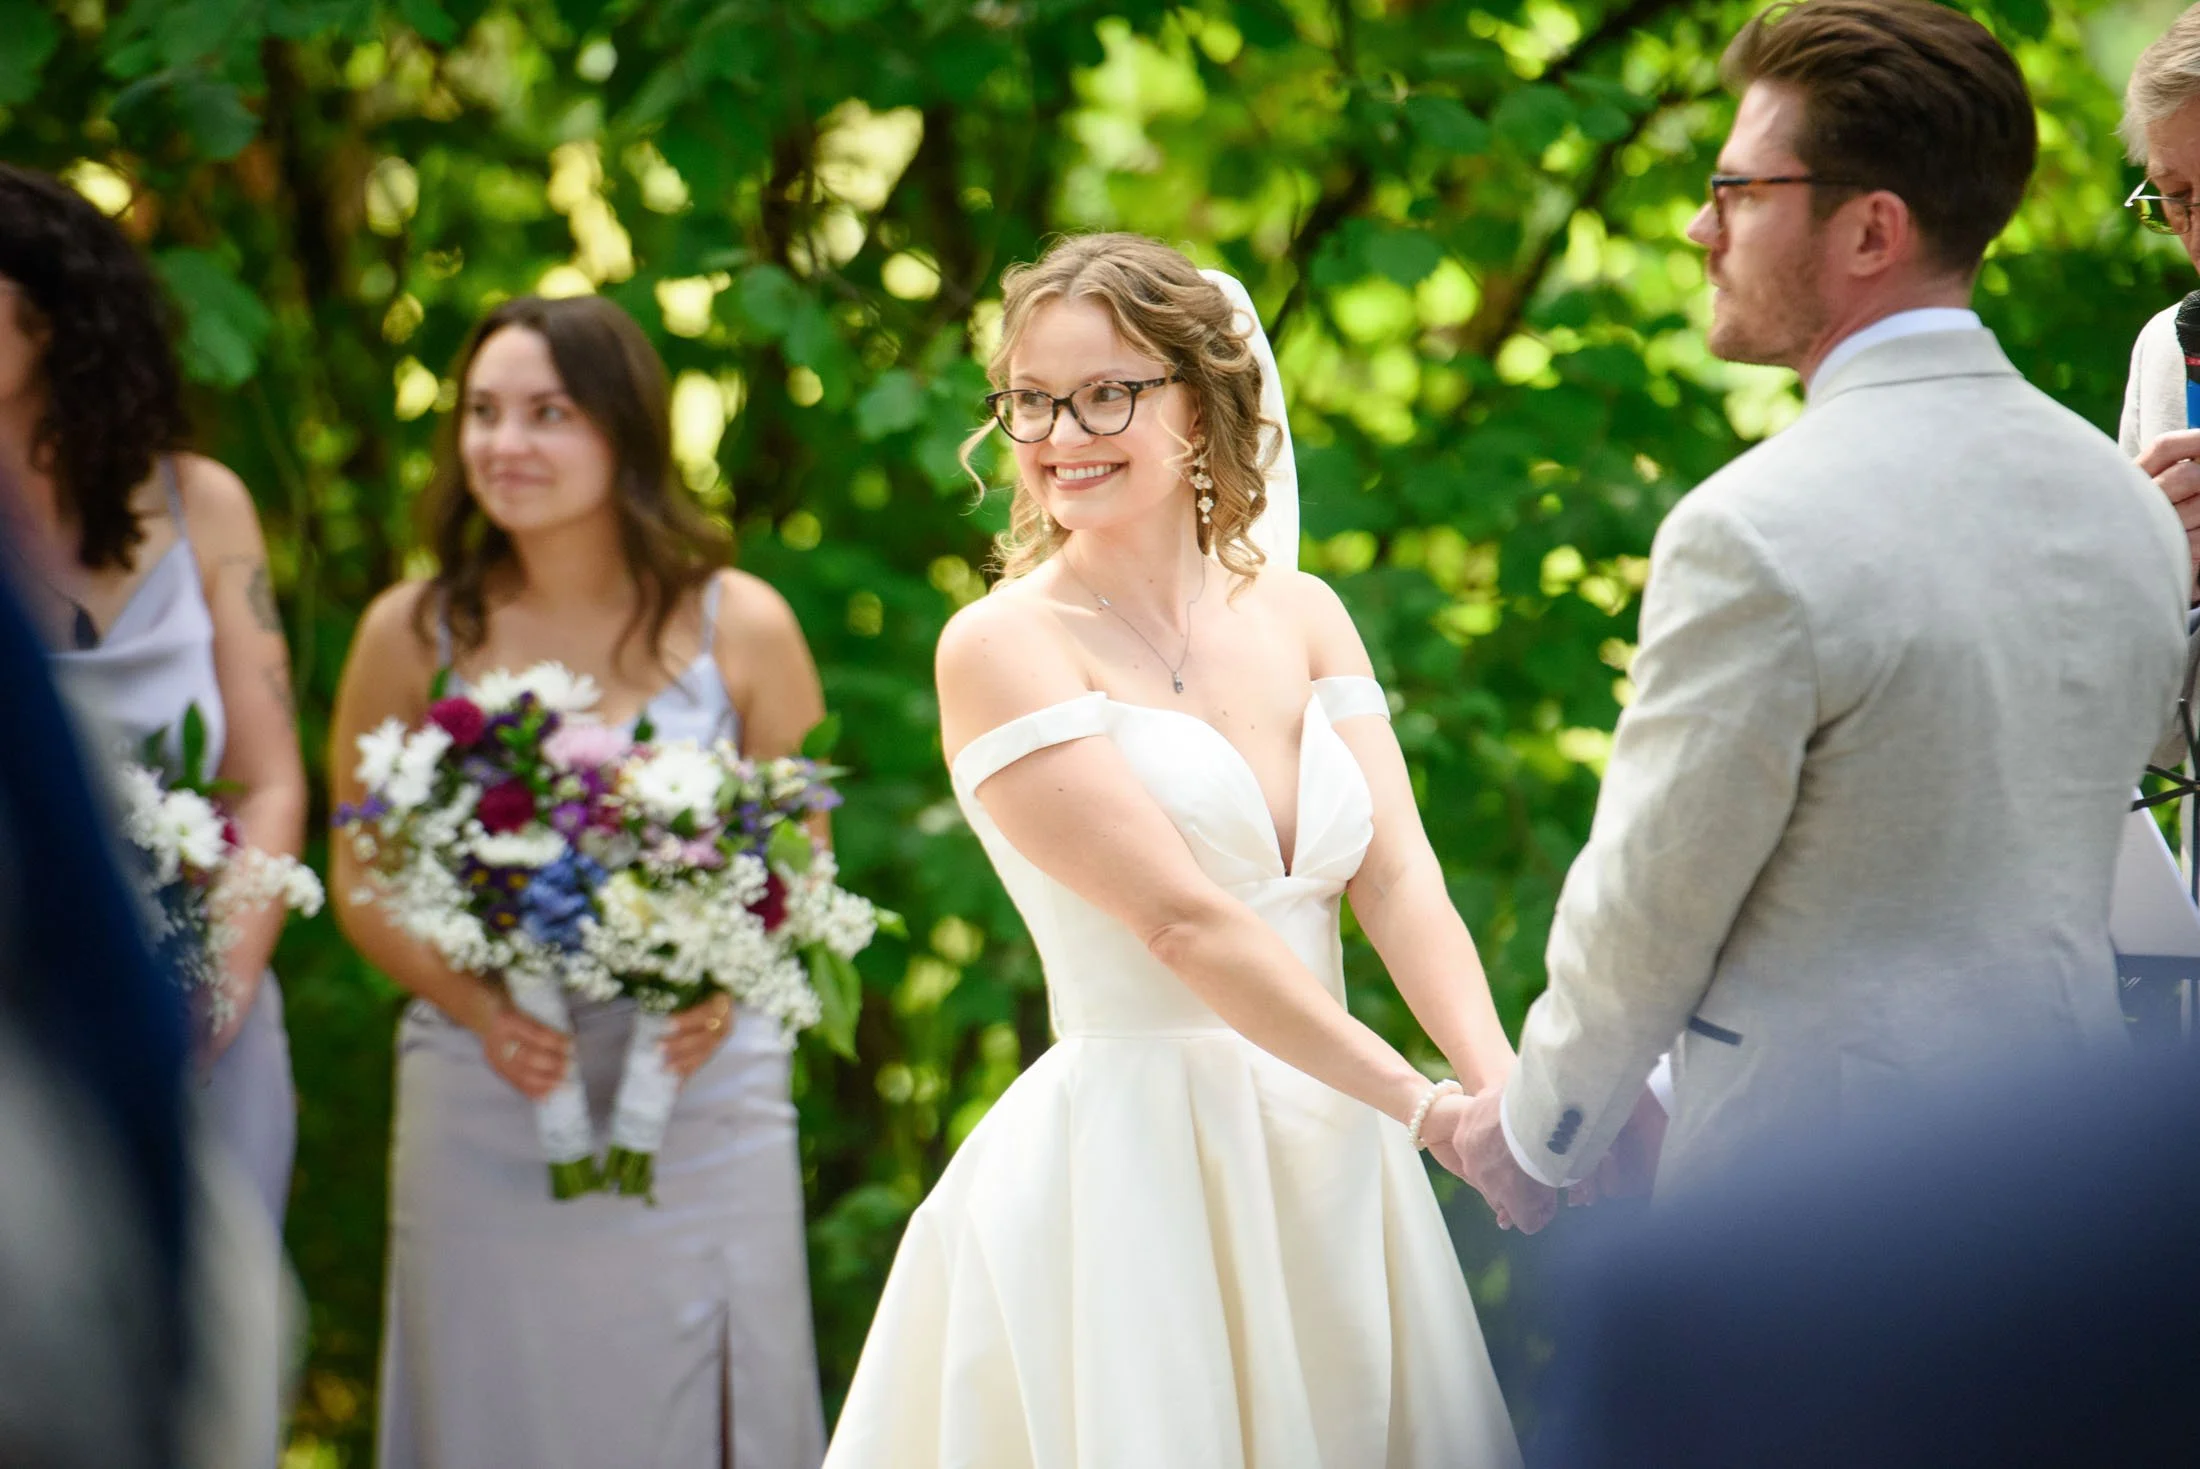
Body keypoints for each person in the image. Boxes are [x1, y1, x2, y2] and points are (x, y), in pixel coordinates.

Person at [1450, 0, 2192, 1229]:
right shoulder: (2117, 502)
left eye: (1736, 190)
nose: (1700, 227)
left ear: (1869, 230)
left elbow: (1649, 901)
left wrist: (1542, 1128)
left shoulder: (1753, 530)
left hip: (1820, 1204)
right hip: (2081, 1186)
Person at [821, 235, 1523, 1468]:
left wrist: (1498, 1085)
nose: (1058, 431)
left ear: (1199, 405)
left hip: (1342, 1144)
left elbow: (1397, 872)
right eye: (1029, 399)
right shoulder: (1001, 646)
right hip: (1142, 1166)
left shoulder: (1305, 614)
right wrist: (1426, 1108)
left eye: (1107, 391)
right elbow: (1181, 922)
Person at [331, 293, 829, 1468]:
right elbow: (358, 871)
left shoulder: (741, 623)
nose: (506, 444)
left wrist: (734, 972)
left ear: (624, 430)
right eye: (484, 413)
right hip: (483, 1083)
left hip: (703, 1086)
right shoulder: (410, 630)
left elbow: (804, 855)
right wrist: (480, 1010)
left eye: (548, 413)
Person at [0, 162, 306, 1233]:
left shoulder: (204, 504)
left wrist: (209, 989)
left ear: (55, 315)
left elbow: (270, 779)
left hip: (205, 1019)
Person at [1533, 1048, 2200, 1468]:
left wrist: (1550, 1127)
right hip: (2051, 1125)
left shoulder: (1674, 1298)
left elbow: (1643, 917)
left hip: (1802, 1159)